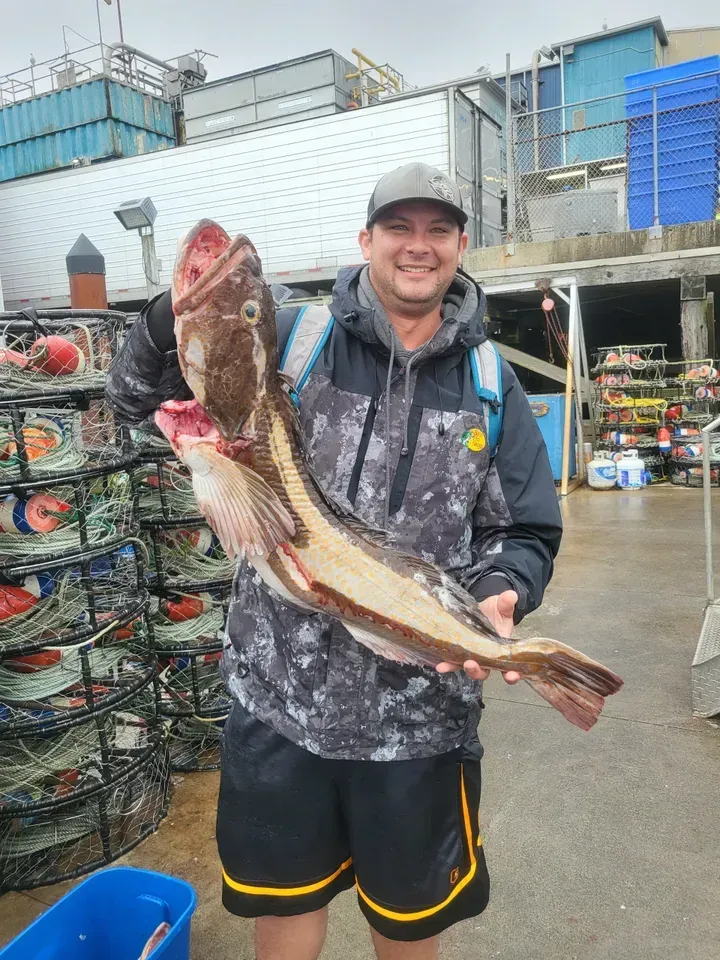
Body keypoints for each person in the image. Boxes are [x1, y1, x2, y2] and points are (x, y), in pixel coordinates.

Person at [106, 161, 562, 960]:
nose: (417, 247)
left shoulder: (493, 384)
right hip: (280, 702)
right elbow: (132, 398)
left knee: (408, 927)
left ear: (460, 246)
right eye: (399, 228)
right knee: (284, 914)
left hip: (419, 721)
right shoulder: (298, 340)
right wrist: (165, 319)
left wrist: (500, 594)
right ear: (367, 240)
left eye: (437, 231)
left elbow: (524, 529)